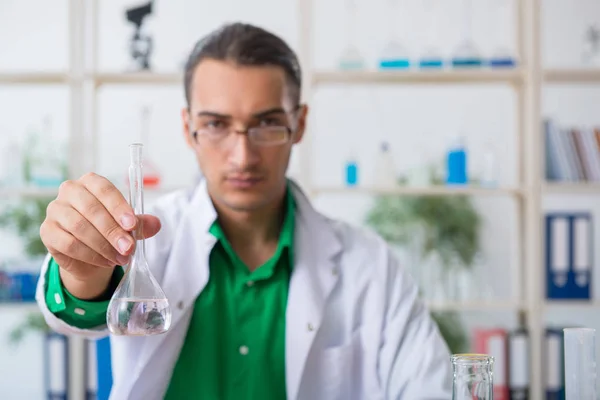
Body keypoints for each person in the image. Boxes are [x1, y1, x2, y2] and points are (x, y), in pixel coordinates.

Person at [36, 22, 452, 399]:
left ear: (299, 123)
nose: (242, 155)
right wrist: (82, 269)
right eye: (216, 125)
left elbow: (431, 388)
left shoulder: (370, 267)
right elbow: (76, 317)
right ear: (188, 128)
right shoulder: (150, 239)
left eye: (267, 124)